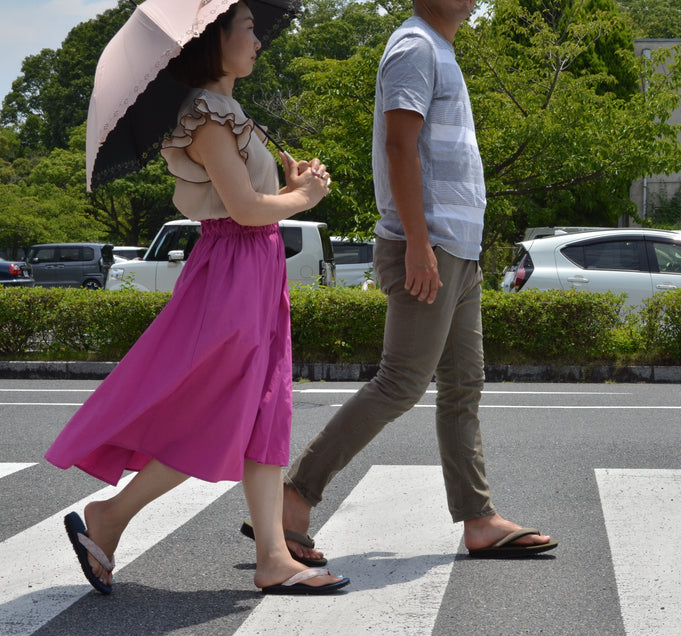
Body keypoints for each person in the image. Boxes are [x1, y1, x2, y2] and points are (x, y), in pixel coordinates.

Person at [47, 1, 348, 596]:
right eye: (245, 29)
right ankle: (111, 516)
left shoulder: (231, 111)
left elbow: (257, 201)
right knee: (219, 412)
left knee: (264, 408)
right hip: (235, 268)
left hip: (255, 266)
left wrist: (290, 186)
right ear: (213, 41)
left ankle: (271, 558)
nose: (257, 38)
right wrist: (304, 198)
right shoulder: (208, 115)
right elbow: (243, 210)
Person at [256, 0, 557, 561]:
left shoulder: (440, 49)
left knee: (464, 385)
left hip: (457, 250)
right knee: (400, 383)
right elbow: (400, 145)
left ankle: (479, 517)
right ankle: (294, 495)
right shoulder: (415, 45)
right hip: (429, 245)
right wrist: (418, 244)